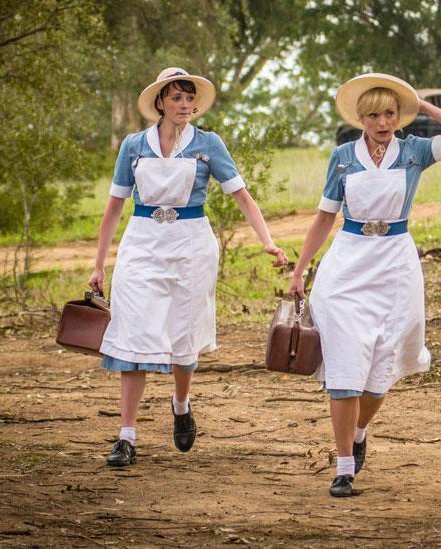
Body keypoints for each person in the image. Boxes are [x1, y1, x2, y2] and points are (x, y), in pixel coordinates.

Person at [288, 73, 441, 497]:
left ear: (399, 115)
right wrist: (301, 270)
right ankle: (342, 468)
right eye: (373, 114)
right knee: (345, 368)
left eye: (390, 113)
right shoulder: (342, 156)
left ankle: (359, 431)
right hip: (347, 264)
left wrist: (422, 106)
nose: (382, 121)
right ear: (360, 117)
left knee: (380, 371)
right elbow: (324, 217)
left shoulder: (413, 152)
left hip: (394, 264)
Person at [89, 67, 288, 467]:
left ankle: (181, 404)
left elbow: (242, 196)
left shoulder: (209, 144)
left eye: (189, 98)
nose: (184, 105)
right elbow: (114, 207)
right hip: (142, 242)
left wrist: (266, 240)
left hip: (191, 245)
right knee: (134, 333)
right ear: (160, 102)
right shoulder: (133, 145)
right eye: (176, 97)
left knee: (184, 334)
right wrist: (98, 265)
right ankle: (126, 436)